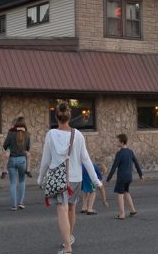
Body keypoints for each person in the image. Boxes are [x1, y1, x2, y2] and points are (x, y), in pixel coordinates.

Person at [38, 101, 102, 254]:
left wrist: (40, 178)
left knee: (62, 209)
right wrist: (96, 180)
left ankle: (67, 247)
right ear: (69, 116)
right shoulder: (78, 135)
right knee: (71, 208)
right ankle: (69, 237)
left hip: (58, 178)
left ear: (56, 117)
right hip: (75, 178)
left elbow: (45, 160)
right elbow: (85, 159)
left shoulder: (50, 134)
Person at [106, 133, 143, 220]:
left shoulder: (119, 153)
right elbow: (136, 163)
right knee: (126, 192)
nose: (116, 142)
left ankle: (122, 214)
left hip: (122, 177)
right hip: (129, 177)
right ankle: (133, 210)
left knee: (120, 194)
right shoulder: (130, 152)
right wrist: (140, 174)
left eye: (117, 141)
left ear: (122, 142)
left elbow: (114, 166)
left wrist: (109, 178)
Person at [3, 116, 31, 211]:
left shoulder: (10, 133)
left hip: (12, 160)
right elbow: (28, 148)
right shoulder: (27, 134)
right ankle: (21, 203)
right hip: (22, 160)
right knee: (22, 181)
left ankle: (13, 205)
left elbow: (5, 145)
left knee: (12, 183)